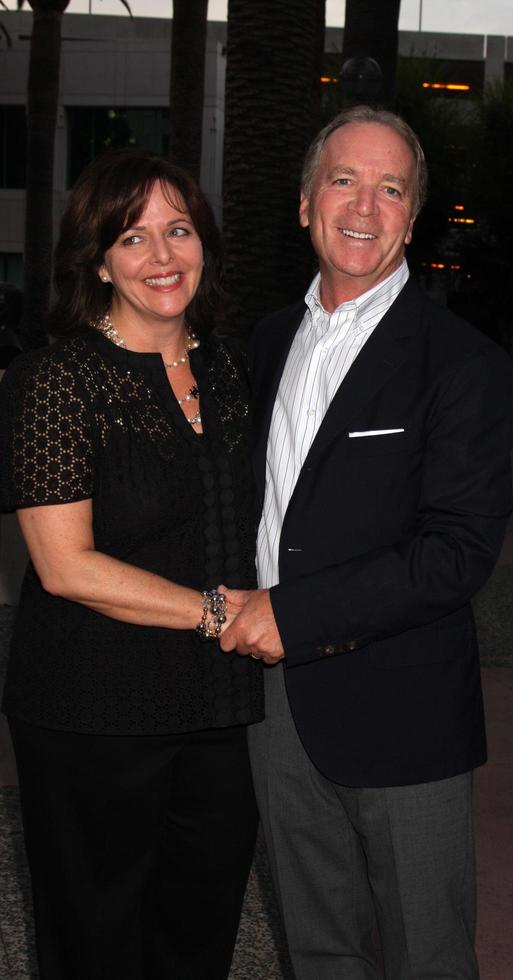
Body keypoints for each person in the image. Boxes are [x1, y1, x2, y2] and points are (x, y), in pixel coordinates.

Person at [219, 106, 513, 979]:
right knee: (319, 949)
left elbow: (456, 552)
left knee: (427, 956)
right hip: (274, 707)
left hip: (404, 713)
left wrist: (294, 613)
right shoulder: (268, 342)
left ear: (412, 219)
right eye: (345, 180)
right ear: (307, 203)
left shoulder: (462, 363)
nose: (365, 205)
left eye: (392, 188)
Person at [0, 149, 262, 980]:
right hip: (89, 712)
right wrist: (221, 614)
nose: (161, 257)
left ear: (205, 243)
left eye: (178, 230)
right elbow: (66, 566)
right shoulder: (56, 382)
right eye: (133, 237)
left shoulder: (234, 372)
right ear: (99, 260)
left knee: (200, 934)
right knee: (95, 942)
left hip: (221, 713)